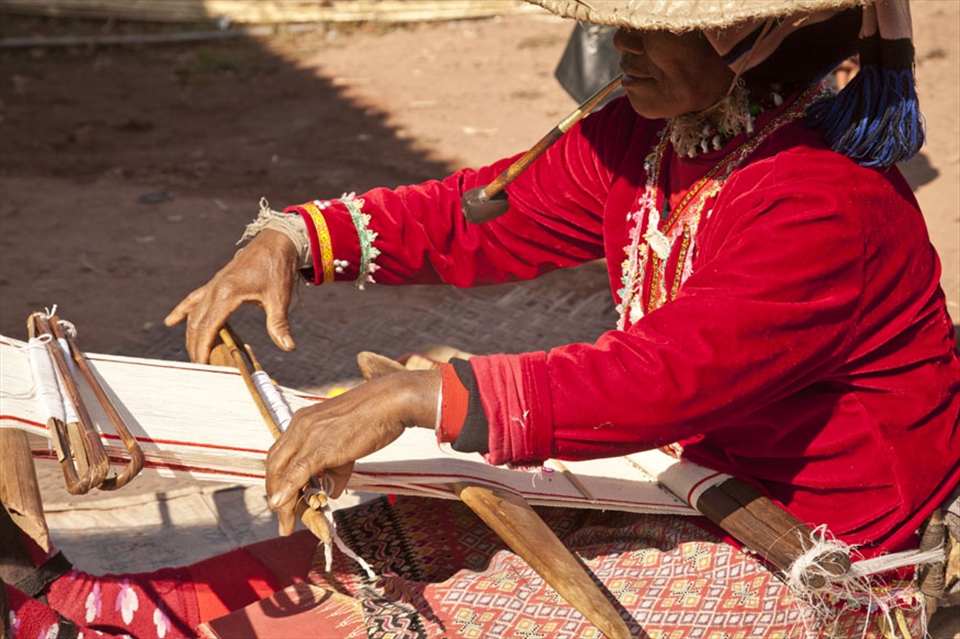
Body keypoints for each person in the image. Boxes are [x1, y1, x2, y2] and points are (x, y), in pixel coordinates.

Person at [163, 0, 959, 636]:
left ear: (761, 37)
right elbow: (482, 217)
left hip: (815, 549)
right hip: (683, 483)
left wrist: (421, 395)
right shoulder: (646, 140)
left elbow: (661, 376)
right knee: (350, 553)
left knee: (431, 617)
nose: (620, 40)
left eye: (655, 26)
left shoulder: (824, 201)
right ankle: (132, 607)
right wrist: (298, 239)